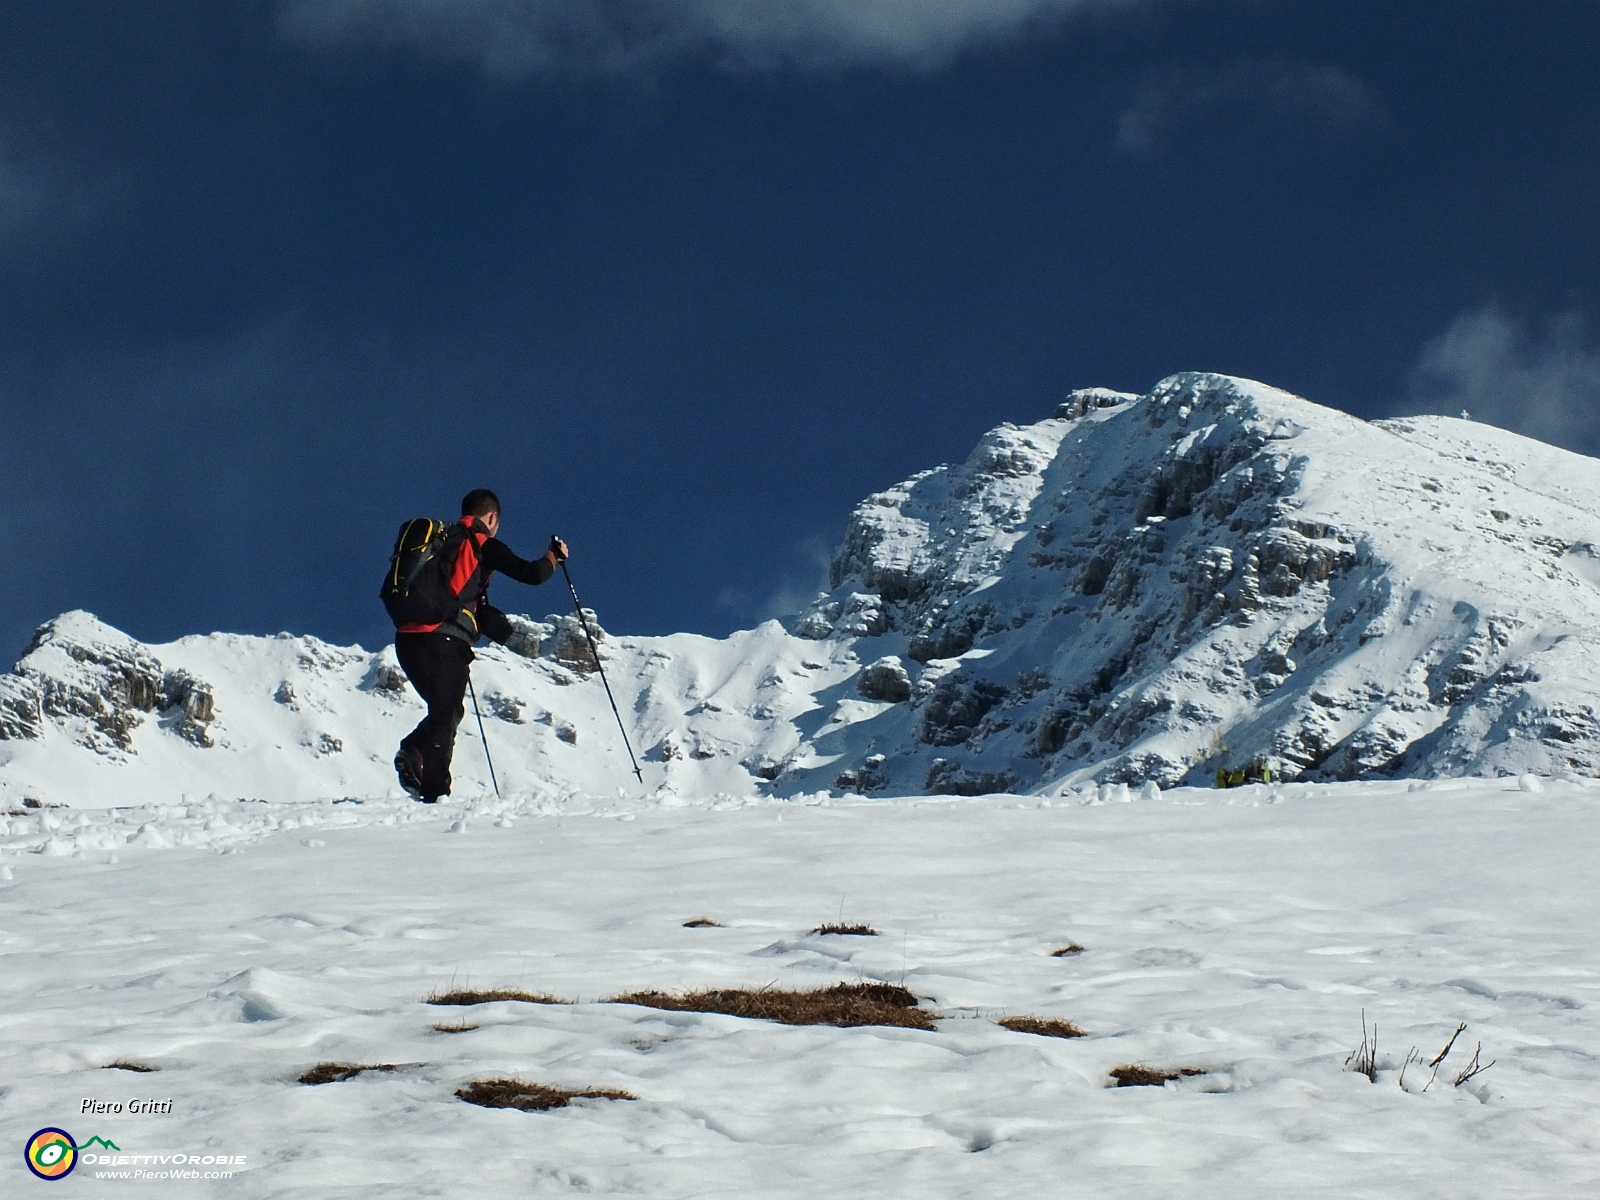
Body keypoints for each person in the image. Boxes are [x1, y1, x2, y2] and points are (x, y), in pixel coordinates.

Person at [392, 489, 568, 803]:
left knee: (446, 711)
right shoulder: (481, 543)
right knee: (446, 713)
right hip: (443, 639)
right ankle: (435, 792)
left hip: (408, 638)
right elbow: (532, 574)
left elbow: (461, 595)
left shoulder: (444, 544)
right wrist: (554, 555)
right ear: (491, 518)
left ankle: (416, 752)